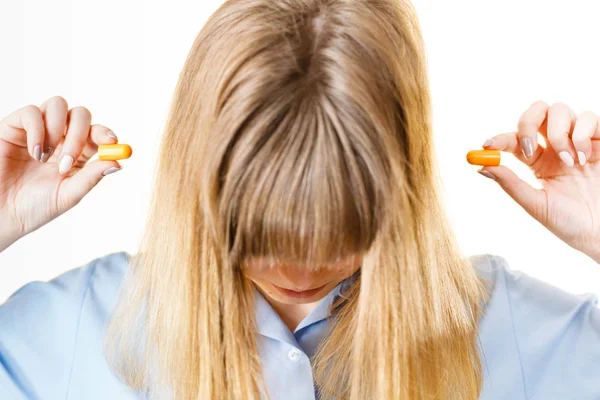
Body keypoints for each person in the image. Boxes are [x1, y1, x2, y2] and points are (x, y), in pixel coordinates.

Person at [1, 0, 599, 399]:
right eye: (259, 235)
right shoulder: (83, 325)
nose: (300, 270)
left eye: (345, 233)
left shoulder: (510, 327)